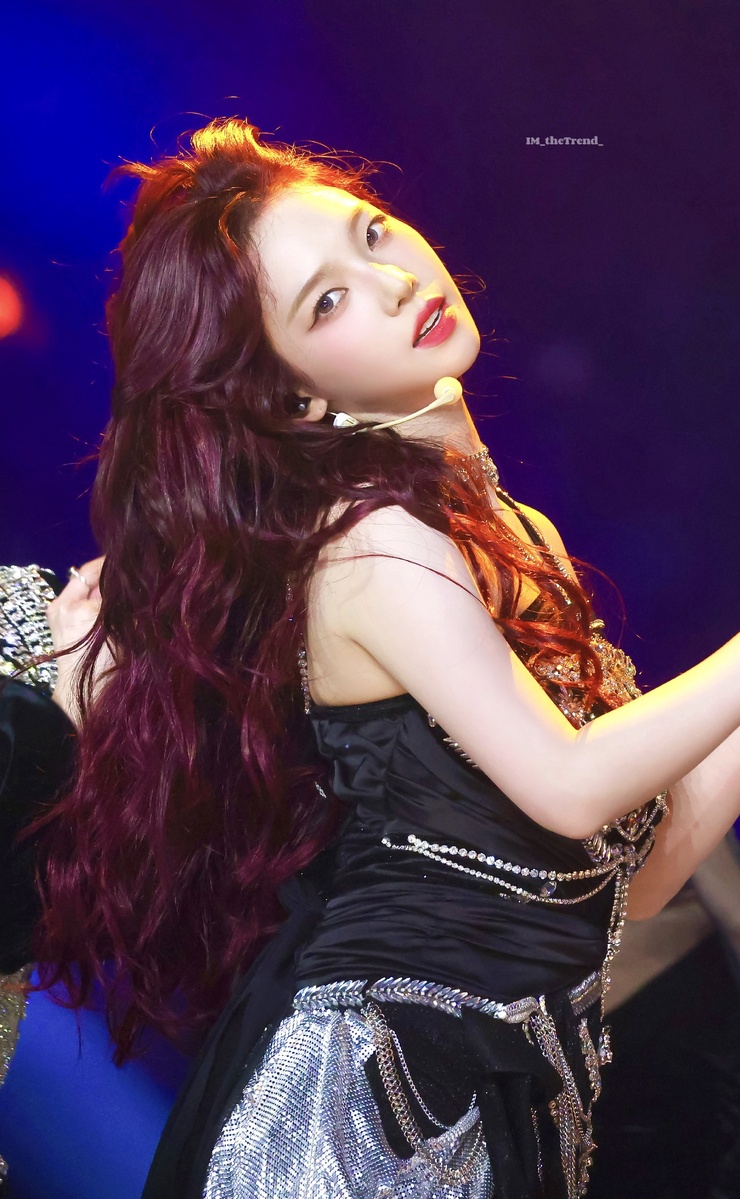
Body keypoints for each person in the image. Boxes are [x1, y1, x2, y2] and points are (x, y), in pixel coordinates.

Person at [14, 116, 740, 1199]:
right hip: (359, 1127)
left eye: (372, 232)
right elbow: (571, 786)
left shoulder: (513, 531)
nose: (394, 279)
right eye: (327, 300)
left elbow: (615, 887)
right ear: (293, 395)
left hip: (502, 1100)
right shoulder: (369, 541)